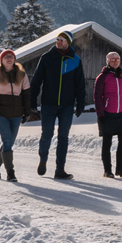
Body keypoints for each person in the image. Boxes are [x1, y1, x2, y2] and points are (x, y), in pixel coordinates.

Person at [30, 29, 86, 180]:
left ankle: (59, 170)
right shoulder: (47, 58)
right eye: (58, 39)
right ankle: (43, 159)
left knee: (63, 137)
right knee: (47, 134)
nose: (59, 41)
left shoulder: (75, 60)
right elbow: (36, 81)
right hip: (48, 104)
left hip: (67, 106)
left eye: (62, 39)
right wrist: (32, 100)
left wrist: (80, 104)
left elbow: (80, 84)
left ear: (68, 42)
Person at [0, 48, 31, 182]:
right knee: (8, 141)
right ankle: (11, 172)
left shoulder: (22, 74)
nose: (9, 59)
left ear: (14, 59)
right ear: (1, 60)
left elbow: (27, 95)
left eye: (11, 56)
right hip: (0, 113)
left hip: (16, 114)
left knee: (8, 142)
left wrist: (27, 112)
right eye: (6, 57)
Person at [94, 50, 122, 178]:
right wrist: (100, 114)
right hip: (107, 114)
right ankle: (107, 170)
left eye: (117, 59)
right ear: (108, 61)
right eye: (113, 59)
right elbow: (97, 96)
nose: (115, 61)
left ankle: (120, 169)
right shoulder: (102, 77)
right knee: (107, 143)